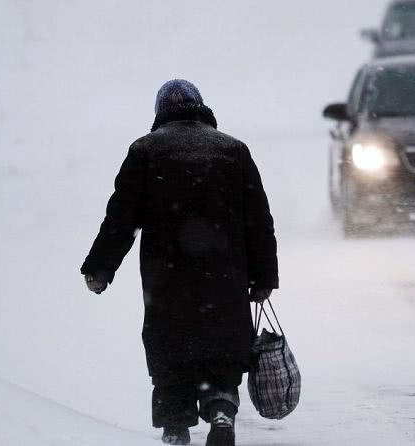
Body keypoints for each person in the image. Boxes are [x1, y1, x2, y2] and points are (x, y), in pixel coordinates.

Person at [81, 79, 279, 446]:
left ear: (159, 113)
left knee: (171, 349)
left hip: (166, 274)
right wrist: (264, 275)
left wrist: (100, 268)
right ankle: (221, 409)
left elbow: (120, 219)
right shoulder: (233, 151)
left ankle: (175, 427)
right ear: (201, 107)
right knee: (222, 346)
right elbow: (258, 219)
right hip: (224, 274)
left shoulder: (145, 150)